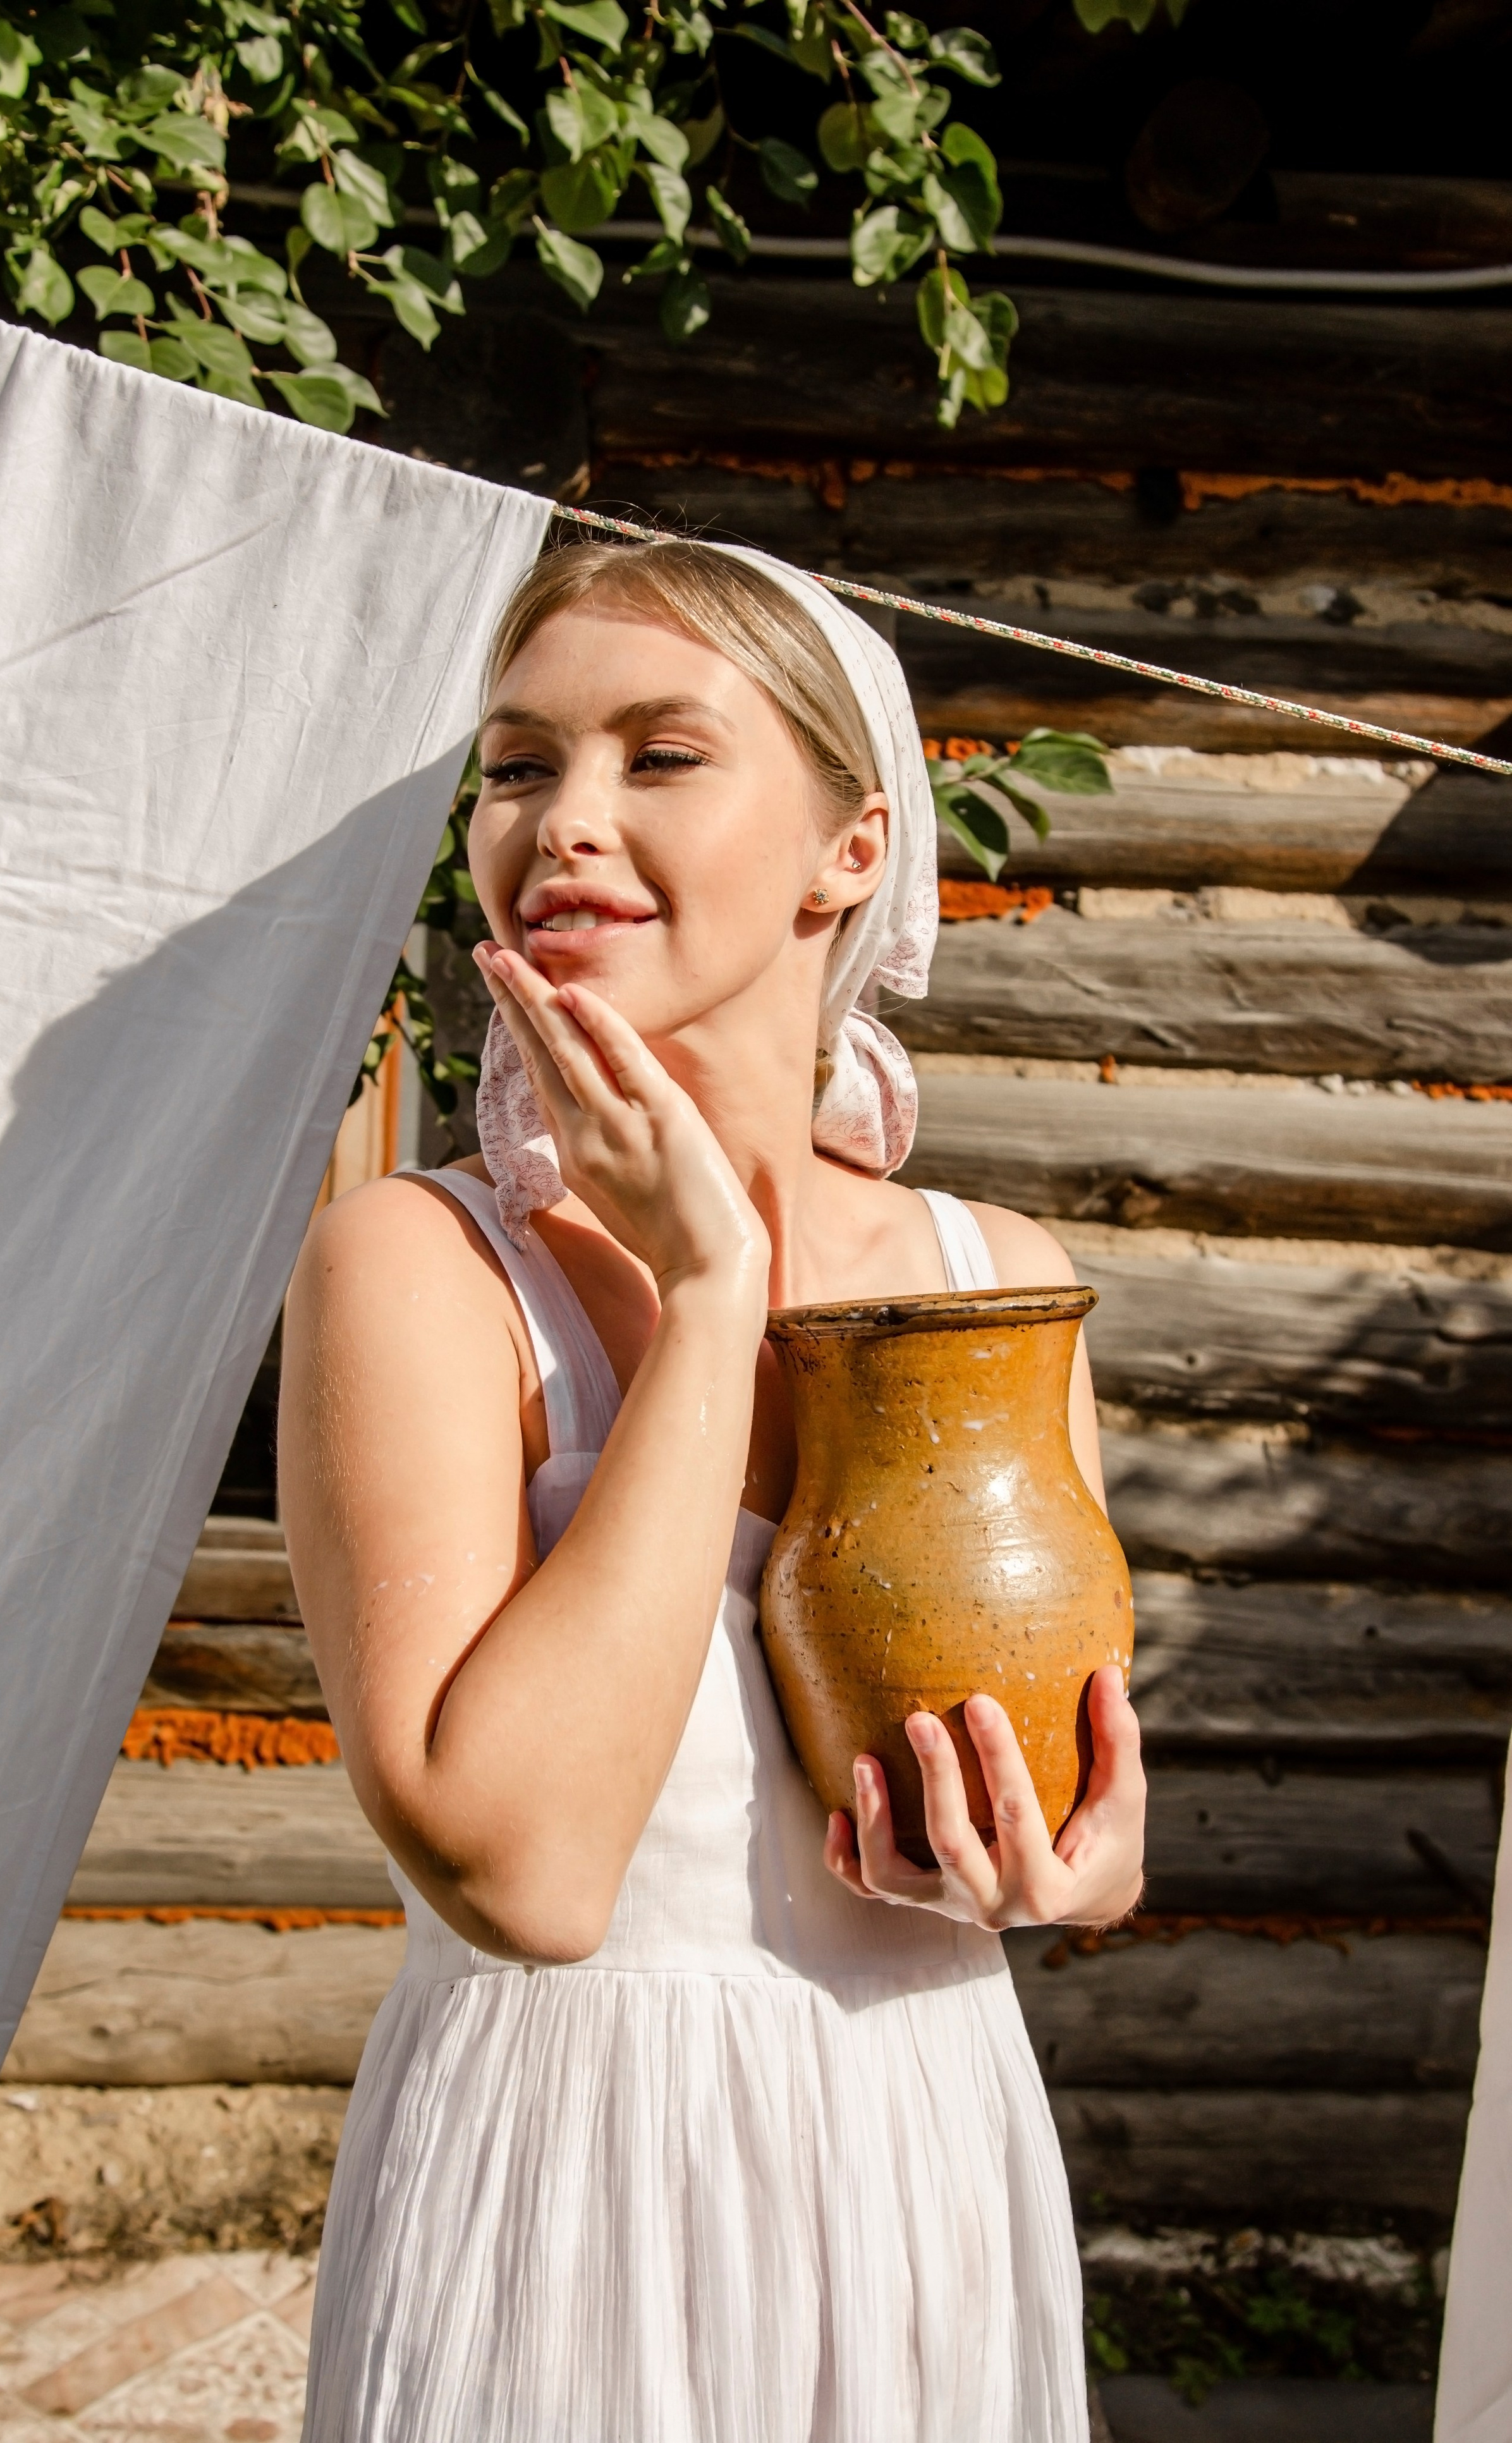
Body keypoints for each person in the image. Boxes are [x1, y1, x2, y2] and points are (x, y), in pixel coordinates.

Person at [281, 537, 1147, 2443]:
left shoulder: (995, 1276)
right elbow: (522, 1867)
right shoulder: (419, 1269)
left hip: (916, 2156)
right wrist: (704, 1304)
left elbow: (1089, 1803)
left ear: (856, 843)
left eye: (659, 756)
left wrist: (1071, 1864)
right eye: (519, 768)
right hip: (568, 2197)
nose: (563, 821)